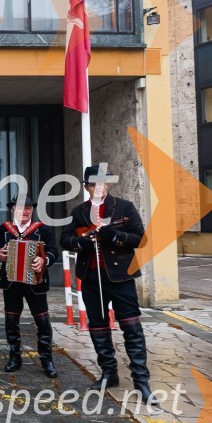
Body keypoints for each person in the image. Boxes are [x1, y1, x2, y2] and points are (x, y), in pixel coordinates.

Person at [60, 165, 155, 403]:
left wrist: (113, 235)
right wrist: (82, 242)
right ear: (87, 187)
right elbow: (65, 239)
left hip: (121, 277)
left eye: (102, 184)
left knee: (131, 327)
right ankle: (108, 373)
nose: (98, 188)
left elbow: (140, 238)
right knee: (98, 327)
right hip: (92, 279)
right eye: (93, 184)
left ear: (108, 185)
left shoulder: (124, 207)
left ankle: (142, 381)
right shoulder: (79, 211)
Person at [0, 193, 59, 378]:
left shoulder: (43, 230)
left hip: (36, 283)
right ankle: (15, 357)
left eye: (28, 208)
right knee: (11, 321)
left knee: (42, 322)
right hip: (11, 283)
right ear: (12, 209)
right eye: (21, 207)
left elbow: (54, 251)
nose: (25, 211)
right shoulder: (3, 230)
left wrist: (44, 259)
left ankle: (47, 360)